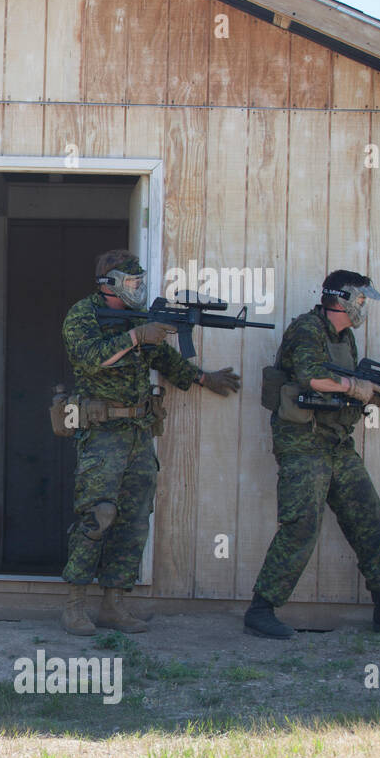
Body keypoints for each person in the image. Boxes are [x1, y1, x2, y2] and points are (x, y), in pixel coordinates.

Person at [58, 250, 240, 635]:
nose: (139, 290)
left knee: (135, 519)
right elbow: (89, 357)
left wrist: (204, 378)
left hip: (140, 432)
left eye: (141, 283)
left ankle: (113, 604)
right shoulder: (83, 315)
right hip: (102, 431)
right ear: (110, 284)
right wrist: (136, 336)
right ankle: (75, 605)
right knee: (97, 515)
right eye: (132, 283)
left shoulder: (140, 319)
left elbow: (166, 362)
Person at [244, 270, 380, 639]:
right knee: (301, 525)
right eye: (359, 299)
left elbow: (344, 389)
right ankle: (261, 610)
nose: (362, 307)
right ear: (340, 298)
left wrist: (375, 394)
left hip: (336, 441)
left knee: (370, 518)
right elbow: (312, 378)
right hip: (302, 442)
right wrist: (359, 386)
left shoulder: (346, 338)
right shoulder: (307, 329)